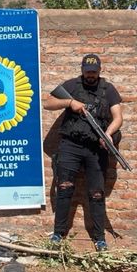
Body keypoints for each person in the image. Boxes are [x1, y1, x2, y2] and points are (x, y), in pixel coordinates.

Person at [43, 53, 123, 251]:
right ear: (82, 70)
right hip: (71, 145)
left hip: (96, 148)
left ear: (99, 70)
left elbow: (118, 117)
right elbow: (47, 103)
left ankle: (99, 238)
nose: (90, 75)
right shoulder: (72, 85)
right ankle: (58, 234)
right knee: (64, 188)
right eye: (87, 71)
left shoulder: (108, 89)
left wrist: (108, 134)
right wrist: (69, 103)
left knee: (96, 193)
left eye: (94, 72)